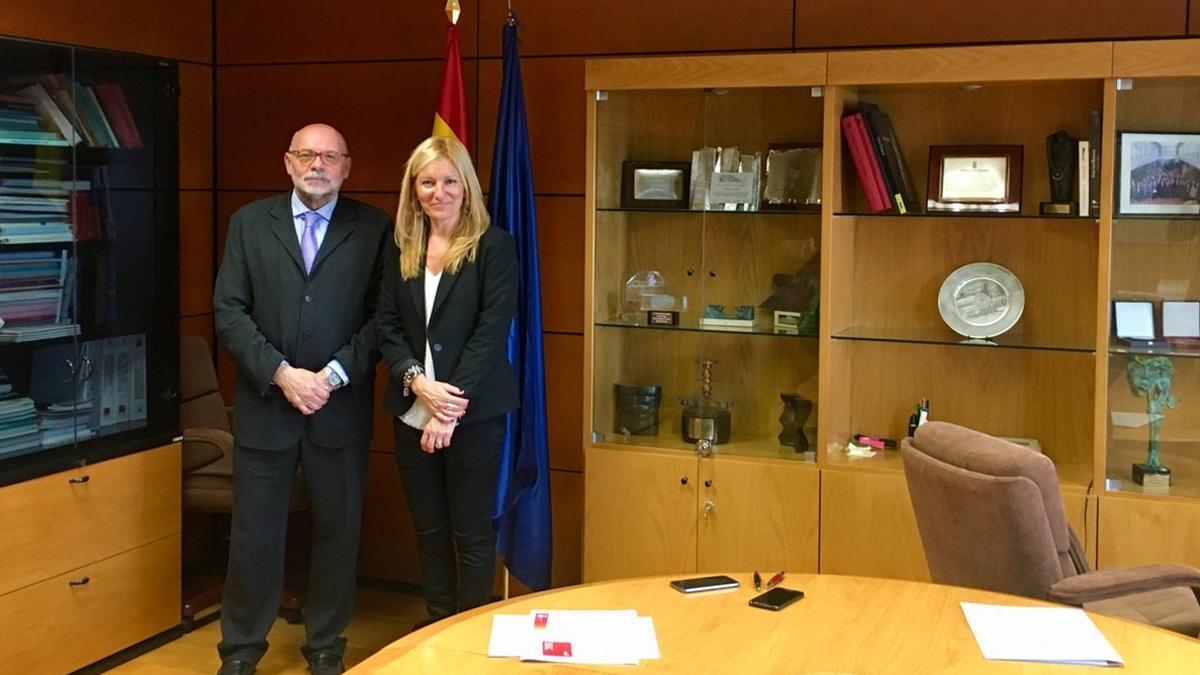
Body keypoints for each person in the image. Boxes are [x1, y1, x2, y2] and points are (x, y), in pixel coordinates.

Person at [212, 123, 391, 675]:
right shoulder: (249, 223)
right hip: (267, 407)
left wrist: (331, 376)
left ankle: (325, 647)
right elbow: (229, 312)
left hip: (339, 411)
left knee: (338, 534)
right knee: (254, 536)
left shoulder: (375, 227)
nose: (318, 165)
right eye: (307, 155)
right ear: (287, 163)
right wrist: (283, 374)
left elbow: (383, 318)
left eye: (330, 156)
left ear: (347, 166)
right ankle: (241, 651)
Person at [377, 135, 519, 627]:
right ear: (413, 190)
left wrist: (449, 406)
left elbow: (491, 331)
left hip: (474, 415)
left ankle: (472, 632)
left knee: (472, 531)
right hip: (410, 408)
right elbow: (387, 327)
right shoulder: (400, 247)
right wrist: (416, 384)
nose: (439, 192)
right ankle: (437, 628)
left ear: (467, 185)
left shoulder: (494, 247)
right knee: (429, 529)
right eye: (427, 182)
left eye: (449, 181)